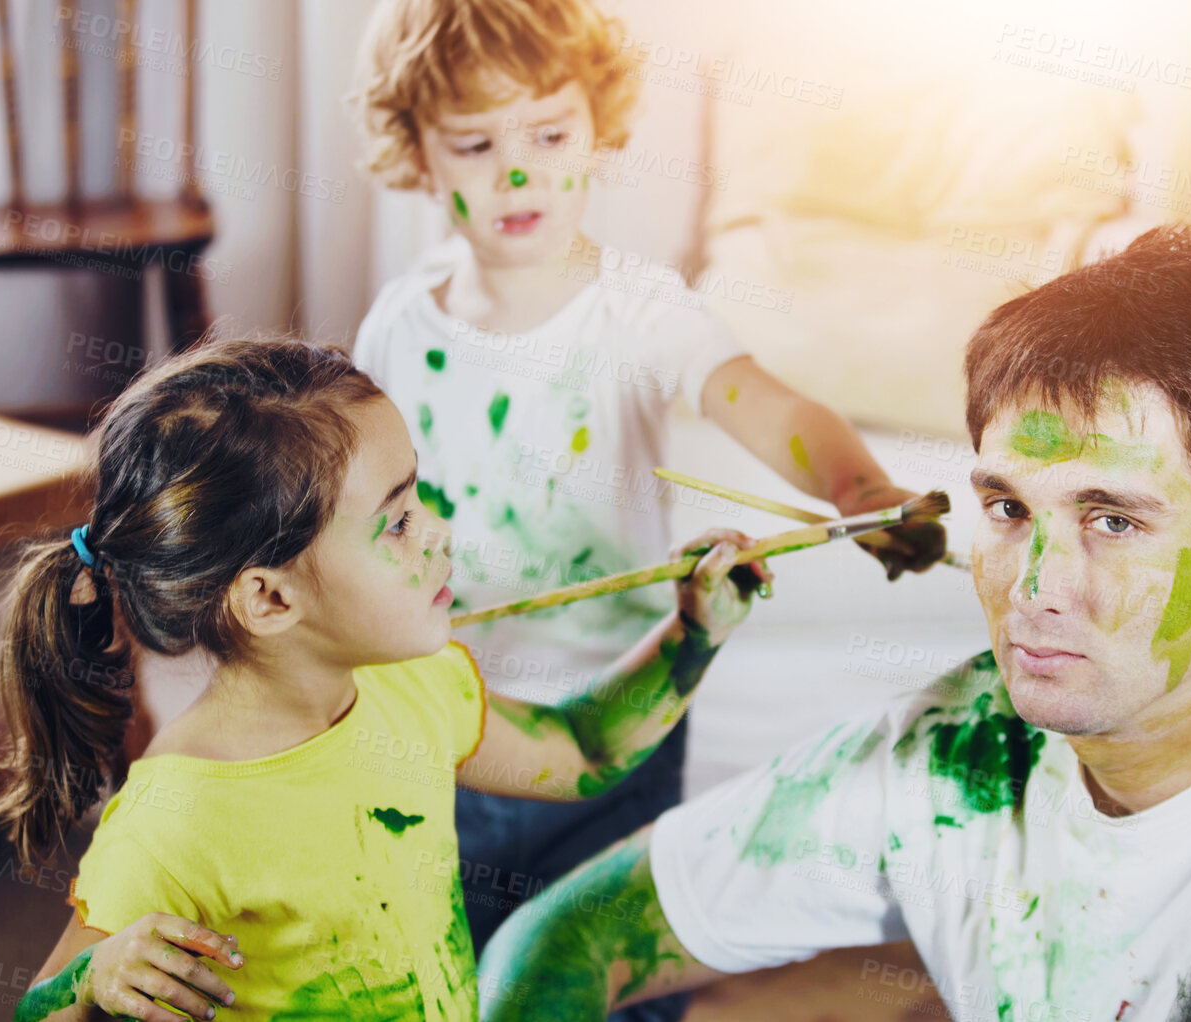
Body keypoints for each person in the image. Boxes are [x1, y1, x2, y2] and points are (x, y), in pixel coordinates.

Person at [478, 226, 1191, 1021]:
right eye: (1008, 508)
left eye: (1111, 519)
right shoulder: (960, 748)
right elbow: (562, 935)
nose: (1035, 582)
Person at [349, 3, 946, 1018]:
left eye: (549, 134)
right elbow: (355, 514)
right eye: (477, 144)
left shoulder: (639, 310)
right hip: (459, 722)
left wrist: (856, 487)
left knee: (606, 969)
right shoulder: (397, 328)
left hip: (625, 710)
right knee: (453, 971)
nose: (520, 174)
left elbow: (764, 403)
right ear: (418, 153)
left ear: (597, 126)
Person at [0, 338, 772, 1021]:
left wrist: (694, 633)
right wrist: (92, 982)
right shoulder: (177, 818)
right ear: (268, 597)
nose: (439, 531)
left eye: (418, 495)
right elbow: (44, 1001)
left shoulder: (412, 687)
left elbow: (585, 749)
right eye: (397, 522)